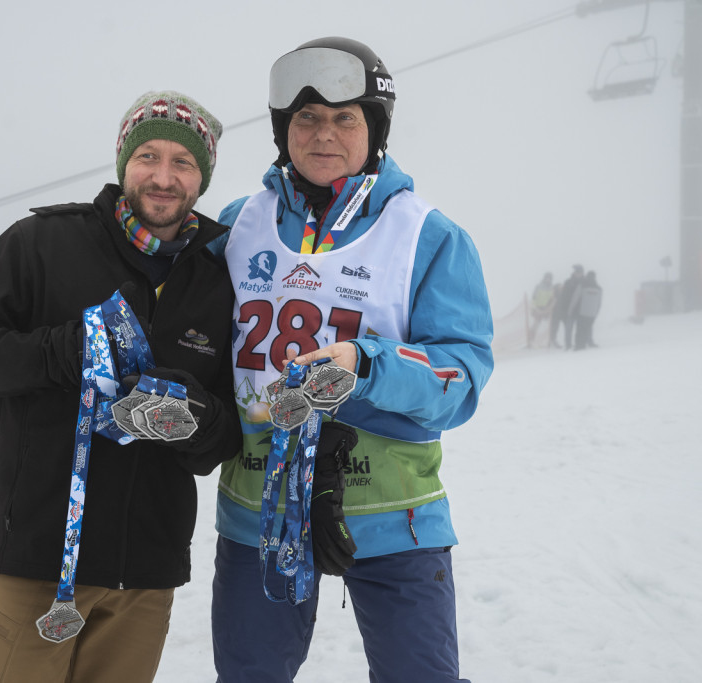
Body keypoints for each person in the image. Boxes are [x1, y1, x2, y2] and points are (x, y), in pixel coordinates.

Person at [0, 90, 242, 683]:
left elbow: (225, 436)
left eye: (184, 163)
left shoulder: (217, 276)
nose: (163, 177)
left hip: (144, 579)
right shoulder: (44, 243)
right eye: (149, 156)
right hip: (35, 565)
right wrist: (67, 350)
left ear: (202, 179)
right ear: (125, 163)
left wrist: (195, 416)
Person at [209, 37, 494, 683]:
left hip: (395, 518)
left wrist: (366, 366)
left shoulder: (428, 235)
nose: (324, 134)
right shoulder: (236, 227)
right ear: (284, 130)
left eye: (346, 117)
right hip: (259, 515)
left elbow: (462, 375)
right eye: (306, 118)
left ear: (375, 128)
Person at [555, 264, 585, 350]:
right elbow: (563, 297)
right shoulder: (568, 282)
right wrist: (563, 310)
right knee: (568, 329)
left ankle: (579, 344)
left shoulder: (585, 283)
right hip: (569, 310)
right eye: (577, 272)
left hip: (581, 310)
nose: (578, 273)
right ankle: (568, 344)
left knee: (580, 329)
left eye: (579, 272)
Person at [573, 270, 602, 350]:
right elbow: (599, 303)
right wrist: (596, 313)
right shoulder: (598, 288)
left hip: (582, 312)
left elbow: (575, 298)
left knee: (580, 329)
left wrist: (571, 309)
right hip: (592, 313)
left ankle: (579, 345)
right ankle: (584, 344)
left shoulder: (582, 285)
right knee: (587, 328)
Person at [527, 272, 555, 348]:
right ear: (544, 278)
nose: (548, 280)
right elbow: (534, 297)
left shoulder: (551, 288)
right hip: (537, 308)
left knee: (545, 325)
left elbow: (551, 299)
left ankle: (547, 340)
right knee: (536, 324)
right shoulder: (539, 286)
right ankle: (530, 339)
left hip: (546, 309)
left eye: (549, 278)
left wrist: (548, 308)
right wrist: (534, 308)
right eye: (547, 278)